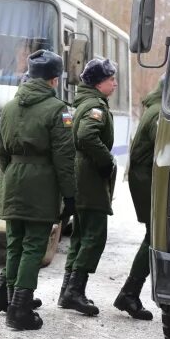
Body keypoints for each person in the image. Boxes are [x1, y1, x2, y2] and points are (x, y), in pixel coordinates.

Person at [0, 50, 76, 330]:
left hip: (13, 178)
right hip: (41, 183)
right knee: (33, 246)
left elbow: (2, 152)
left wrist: (11, 173)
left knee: (14, 242)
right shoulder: (57, 109)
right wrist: (70, 194)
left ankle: (11, 299)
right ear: (54, 80)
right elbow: (64, 157)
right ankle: (19, 309)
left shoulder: (9, 106)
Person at [58, 58, 117, 316]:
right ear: (98, 83)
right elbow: (86, 136)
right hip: (90, 177)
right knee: (94, 235)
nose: (114, 84)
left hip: (80, 174)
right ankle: (75, 291)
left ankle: (67, 289)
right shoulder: (95, 107)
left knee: (81, 235)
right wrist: (106, 161)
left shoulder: (84, 102)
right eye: (111, 79)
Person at [113, 78, 164, 321]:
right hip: (146, 182)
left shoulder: (155, 109)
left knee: (152, 235)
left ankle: (130, 293)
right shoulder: (158, 114)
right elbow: (165, 143)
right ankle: (129, 293)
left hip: (146, 179)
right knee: (154, 235)